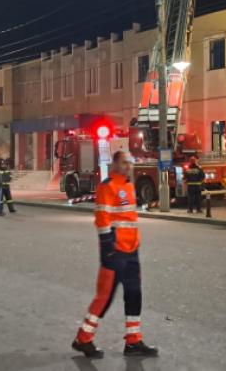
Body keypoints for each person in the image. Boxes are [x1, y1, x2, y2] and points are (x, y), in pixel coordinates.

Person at [72, 150, 158, 359]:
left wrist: (135, 244)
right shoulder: (107, 186)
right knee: (105, 297)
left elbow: (129, 219)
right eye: (125, 163)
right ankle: (83, 338)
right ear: (115, 164)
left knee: (134, 295)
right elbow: (102, 218)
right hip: (115, 251)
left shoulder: (129, 186)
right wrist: (108, 247)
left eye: (131, 163)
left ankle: (133, 340)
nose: (129, 166)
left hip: (131, 251)